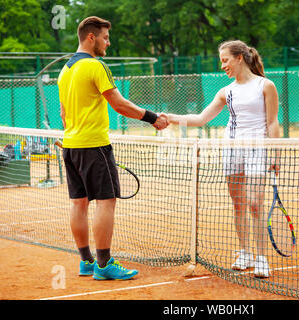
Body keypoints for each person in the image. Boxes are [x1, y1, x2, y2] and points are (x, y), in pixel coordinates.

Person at [58, 16, 169, 280]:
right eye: (106, 37)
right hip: (94, 145)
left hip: (71, 145)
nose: (109, 42)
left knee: (79, 203)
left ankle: (86, 261)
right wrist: (153, 118)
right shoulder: (96, 66)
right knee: (106, 202)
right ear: (91, 37)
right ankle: (104, 264)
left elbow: (63, 114)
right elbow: (118, 104)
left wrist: (72, 133)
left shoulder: (65, 70)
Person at [167, 40, 280, 278]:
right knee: (238, 204)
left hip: (257, 148)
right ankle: (244, 252)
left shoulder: (265, 85)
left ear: (240, 58)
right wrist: (169, 117)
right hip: (231, 149)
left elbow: (272, 122)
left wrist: (275, 152)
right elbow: (200, 119)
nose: (222, 65)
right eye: (221, 61)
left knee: (255, 204)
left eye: (225, 60)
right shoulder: (226, 92)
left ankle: (261, 258)